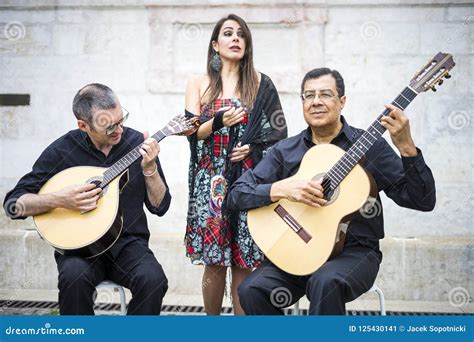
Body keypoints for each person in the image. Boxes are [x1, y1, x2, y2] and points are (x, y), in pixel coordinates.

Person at [227, 67, 436, 315]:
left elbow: (422, 201)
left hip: (353, 255)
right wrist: (282, 188)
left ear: (342, 101)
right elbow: (236, 195)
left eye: (325, 94)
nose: (316, 102)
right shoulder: (286, 150)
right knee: (252, 289)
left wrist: (407, 148)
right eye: (309, 95)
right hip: (296, 252)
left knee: (325, 282)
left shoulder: (371, 146)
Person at [3, 83, 170, 315]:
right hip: (79, 250)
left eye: (121, 120)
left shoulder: (136, 143)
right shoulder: (62, 151)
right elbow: (13, 205)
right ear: (83, 125)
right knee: (73, 278)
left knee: (152, 280)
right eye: (110, 127)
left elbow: (160, 206)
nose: (119, 130)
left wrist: (150, 169)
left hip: (128, 244)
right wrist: (59, 199)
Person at [184, 14, 287, 315]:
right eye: (228, 34)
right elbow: (191, 132)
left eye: (241, 34)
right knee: (214, 261)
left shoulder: (261, 84)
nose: (236, 39)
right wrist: (217, 121)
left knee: (245, 258)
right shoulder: (199, 83)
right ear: (215, 45)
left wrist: (254, 148)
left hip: (250, 178)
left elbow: (278, 132)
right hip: (211, 180)